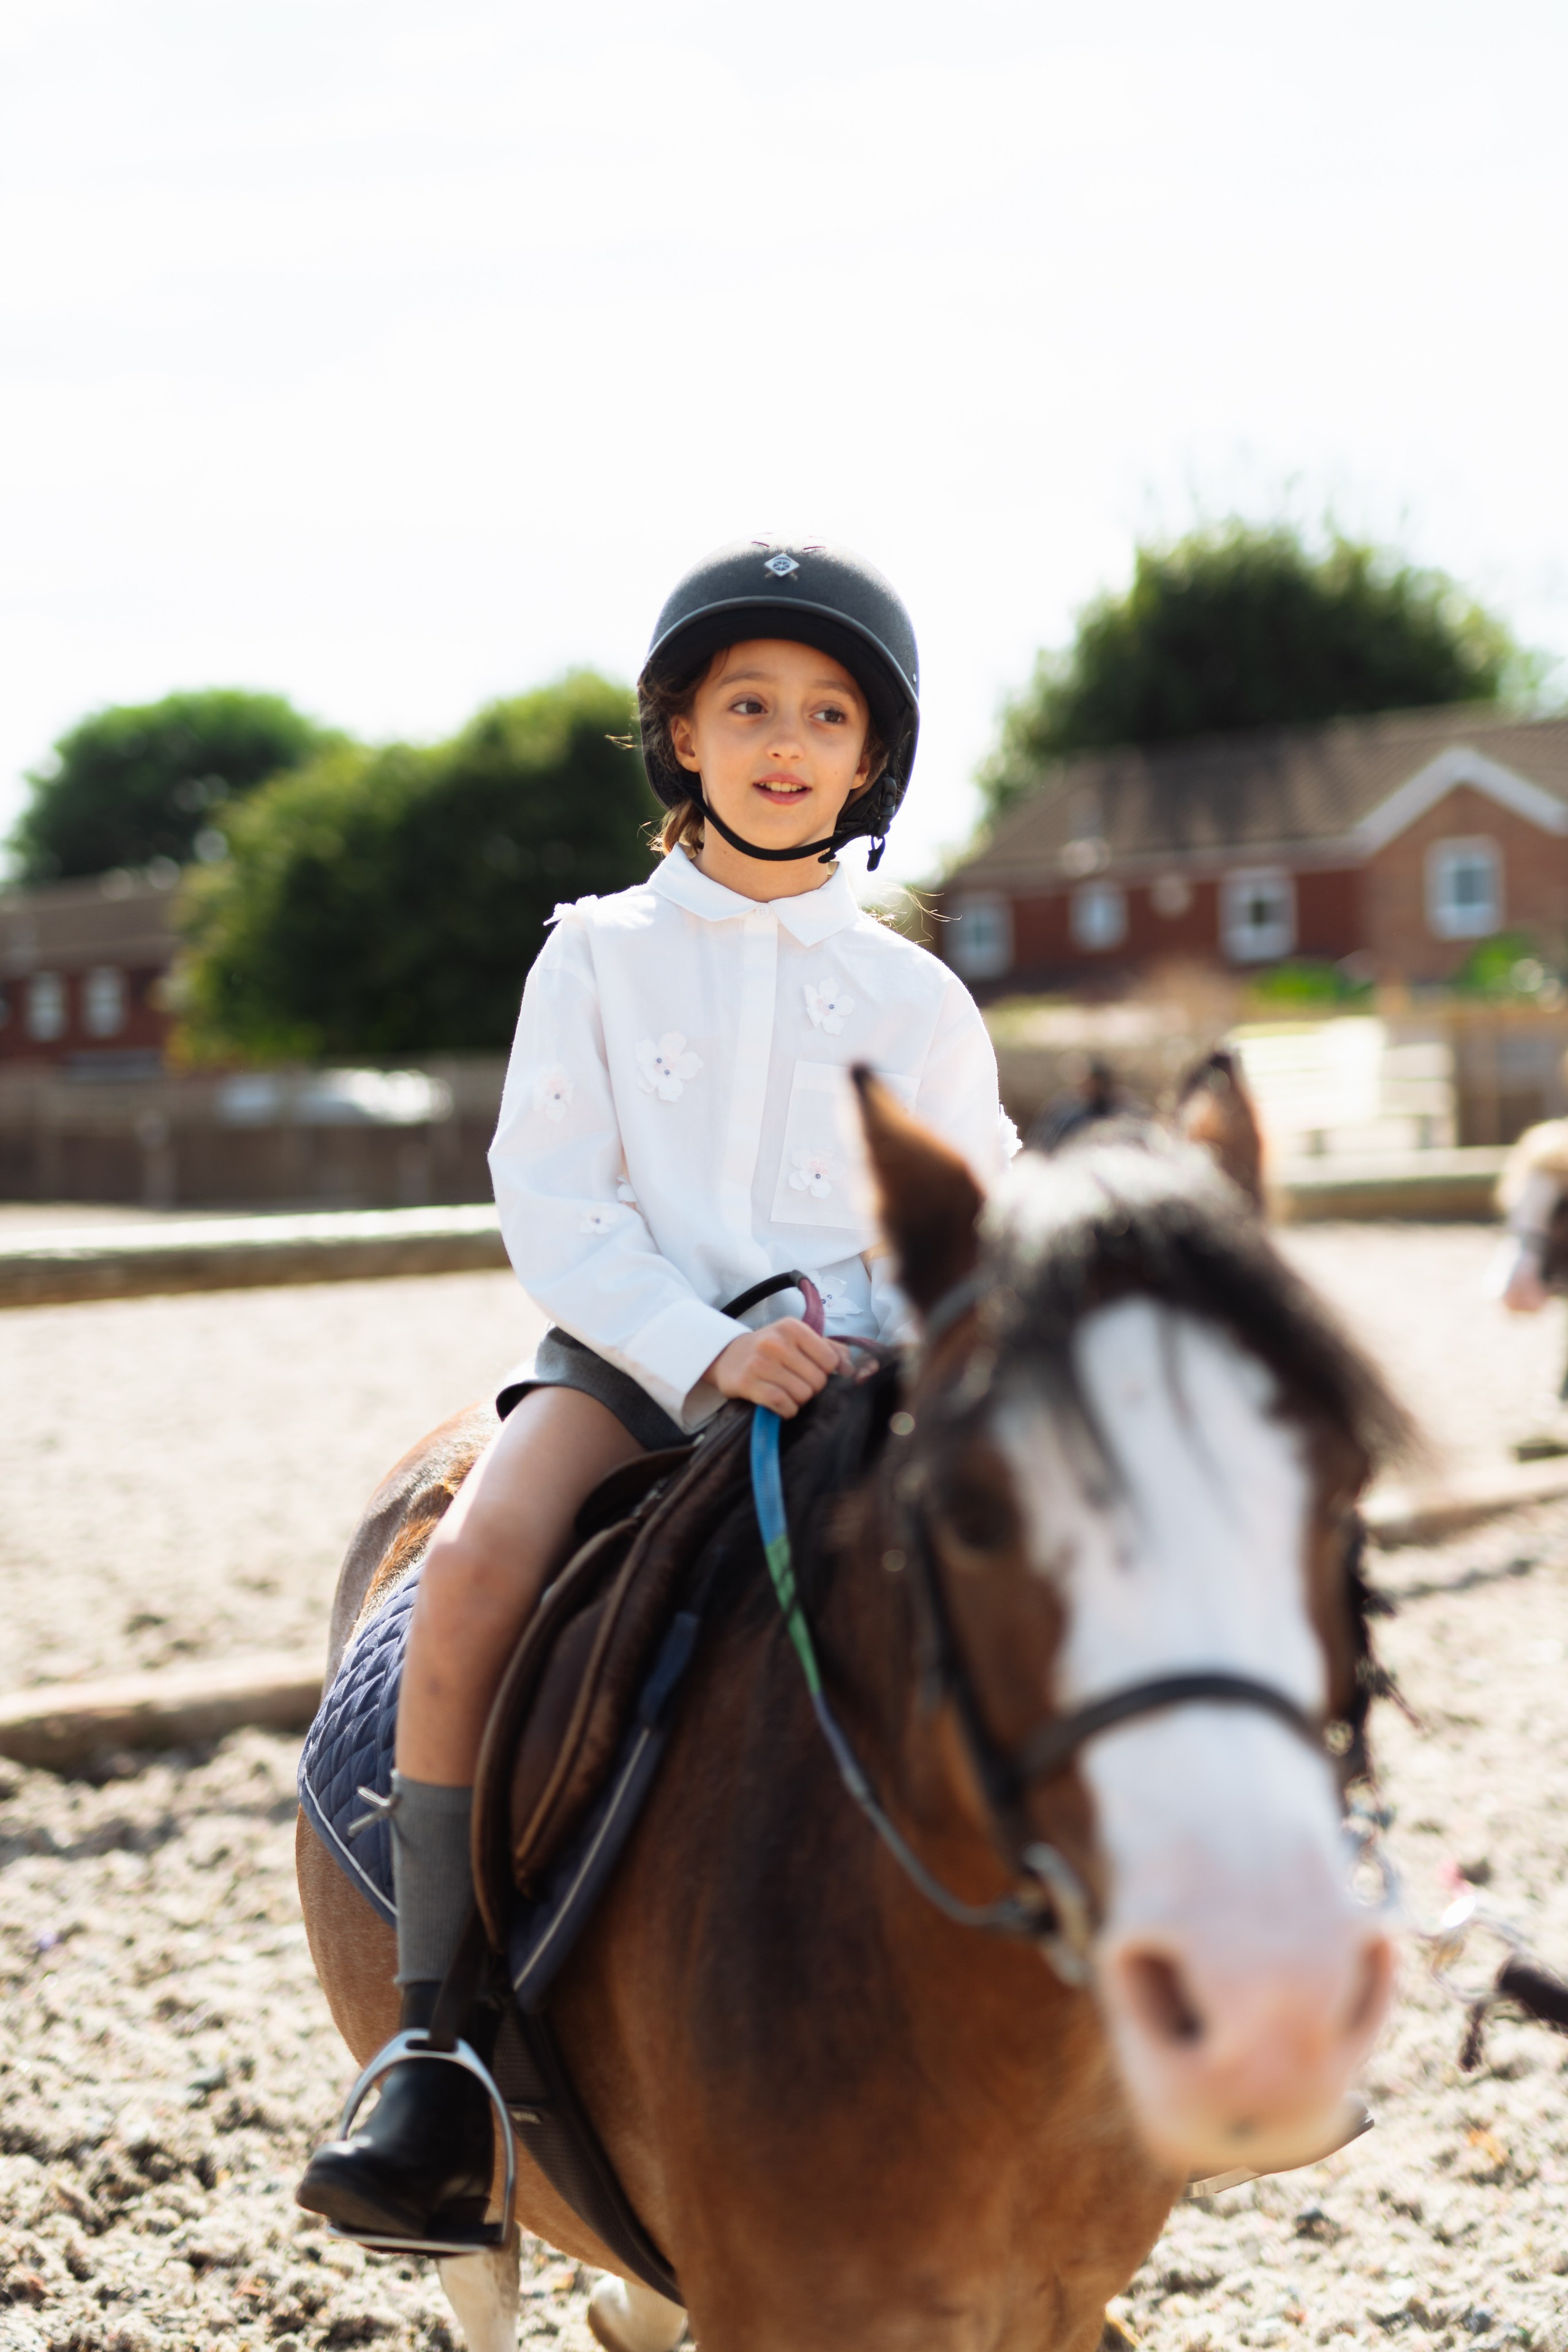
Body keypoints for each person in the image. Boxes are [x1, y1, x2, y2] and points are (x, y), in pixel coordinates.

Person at [297, 540, 1019, 2242]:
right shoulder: (600, 957)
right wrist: (701, 1345)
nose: (788, 738)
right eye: (748, 704)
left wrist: (888, 1343)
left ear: (872, 762)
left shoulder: (917, 996)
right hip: (629, 1366)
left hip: (860, 1383)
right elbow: (556, 1203)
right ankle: (432, 2047)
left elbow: (967, 1208)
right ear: (682, 738)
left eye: (828, 714)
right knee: (472, 1566)